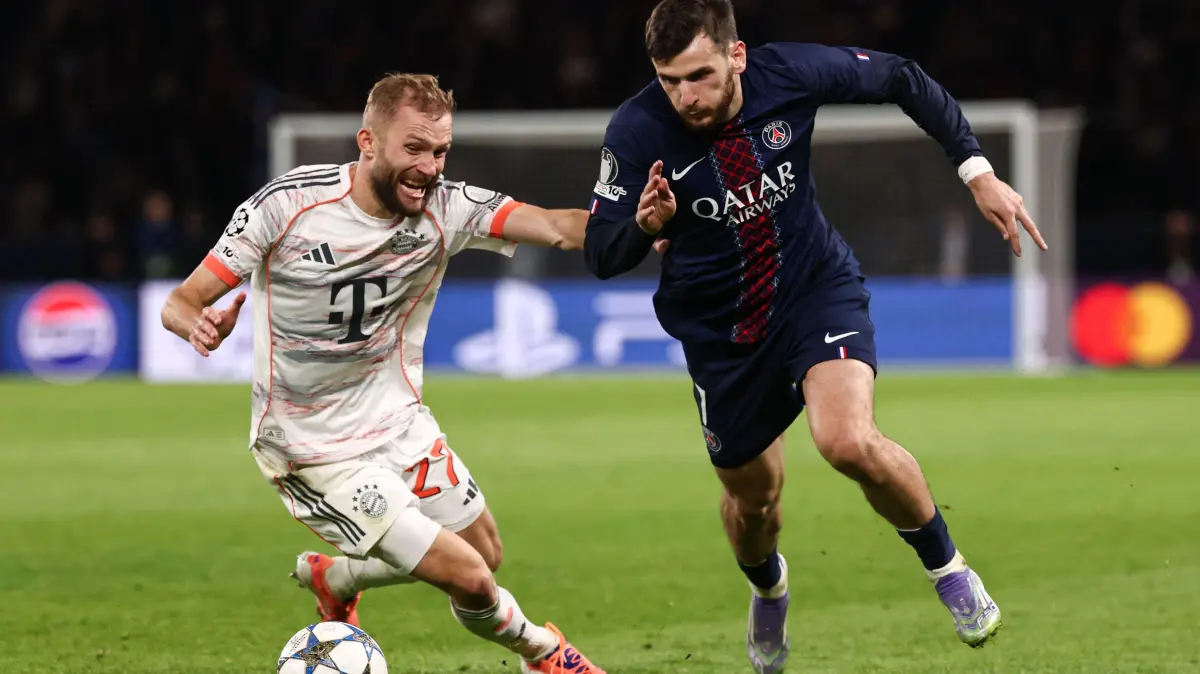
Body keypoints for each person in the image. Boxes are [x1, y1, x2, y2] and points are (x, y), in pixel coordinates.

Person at [583, 1, 1048, 671]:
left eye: (699, 75)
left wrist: (975, 171)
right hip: (723, 334)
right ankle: (770, 589)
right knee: (754, 503)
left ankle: (947, 568)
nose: (685, 96)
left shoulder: (791, 74)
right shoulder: (636, 131)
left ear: (735, 56)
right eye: (669, 79)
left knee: (846, 440)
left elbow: (901, 76)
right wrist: (643, 224)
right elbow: (601, 253)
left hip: (811, 289)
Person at [161, 73, 605, 674]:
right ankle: (544, 653)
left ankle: (336, 576)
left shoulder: (449, 207)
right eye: (414, 149)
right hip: (312, 447)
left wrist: (645, 226)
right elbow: (182, 301)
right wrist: (199, 325)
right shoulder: (286, 207)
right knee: (471, 580)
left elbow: (558, 226)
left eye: (441, 151)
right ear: (367, 141)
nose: (429, 167)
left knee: (486, 553)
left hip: (399, 423)